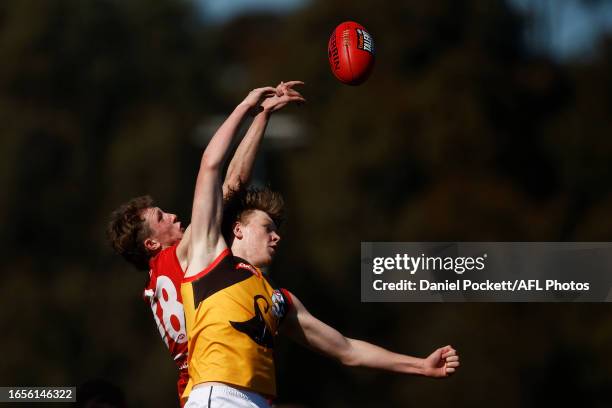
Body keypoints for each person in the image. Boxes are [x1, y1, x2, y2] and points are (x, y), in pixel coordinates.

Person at [179, 90, 461, 407]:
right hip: (217, 397)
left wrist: (420, 365)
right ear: (238, 229)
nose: (277, 237)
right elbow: (211, 165)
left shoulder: (279, 300)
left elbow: (348, 350)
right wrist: (248, 107)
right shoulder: (208, 258)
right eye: (267, 228)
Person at [107, 81, 305, 406]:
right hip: (217, 387)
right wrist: (251, 109)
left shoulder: (158, 281)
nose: (172, 216)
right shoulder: (185, 255)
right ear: (152, 245)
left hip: (198, 392)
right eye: (161, 218)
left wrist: (262, 117)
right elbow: (226, 177)